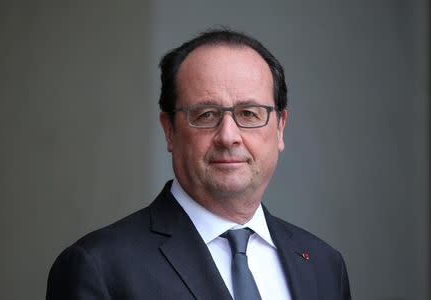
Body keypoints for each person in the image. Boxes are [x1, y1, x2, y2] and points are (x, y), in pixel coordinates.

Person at [46, 29, 351, 300]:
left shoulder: (324, 266)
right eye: (205, 115)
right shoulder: (99, 268)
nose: (228, 136)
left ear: (280, 127)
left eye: (249, 113)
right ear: (169, 130)